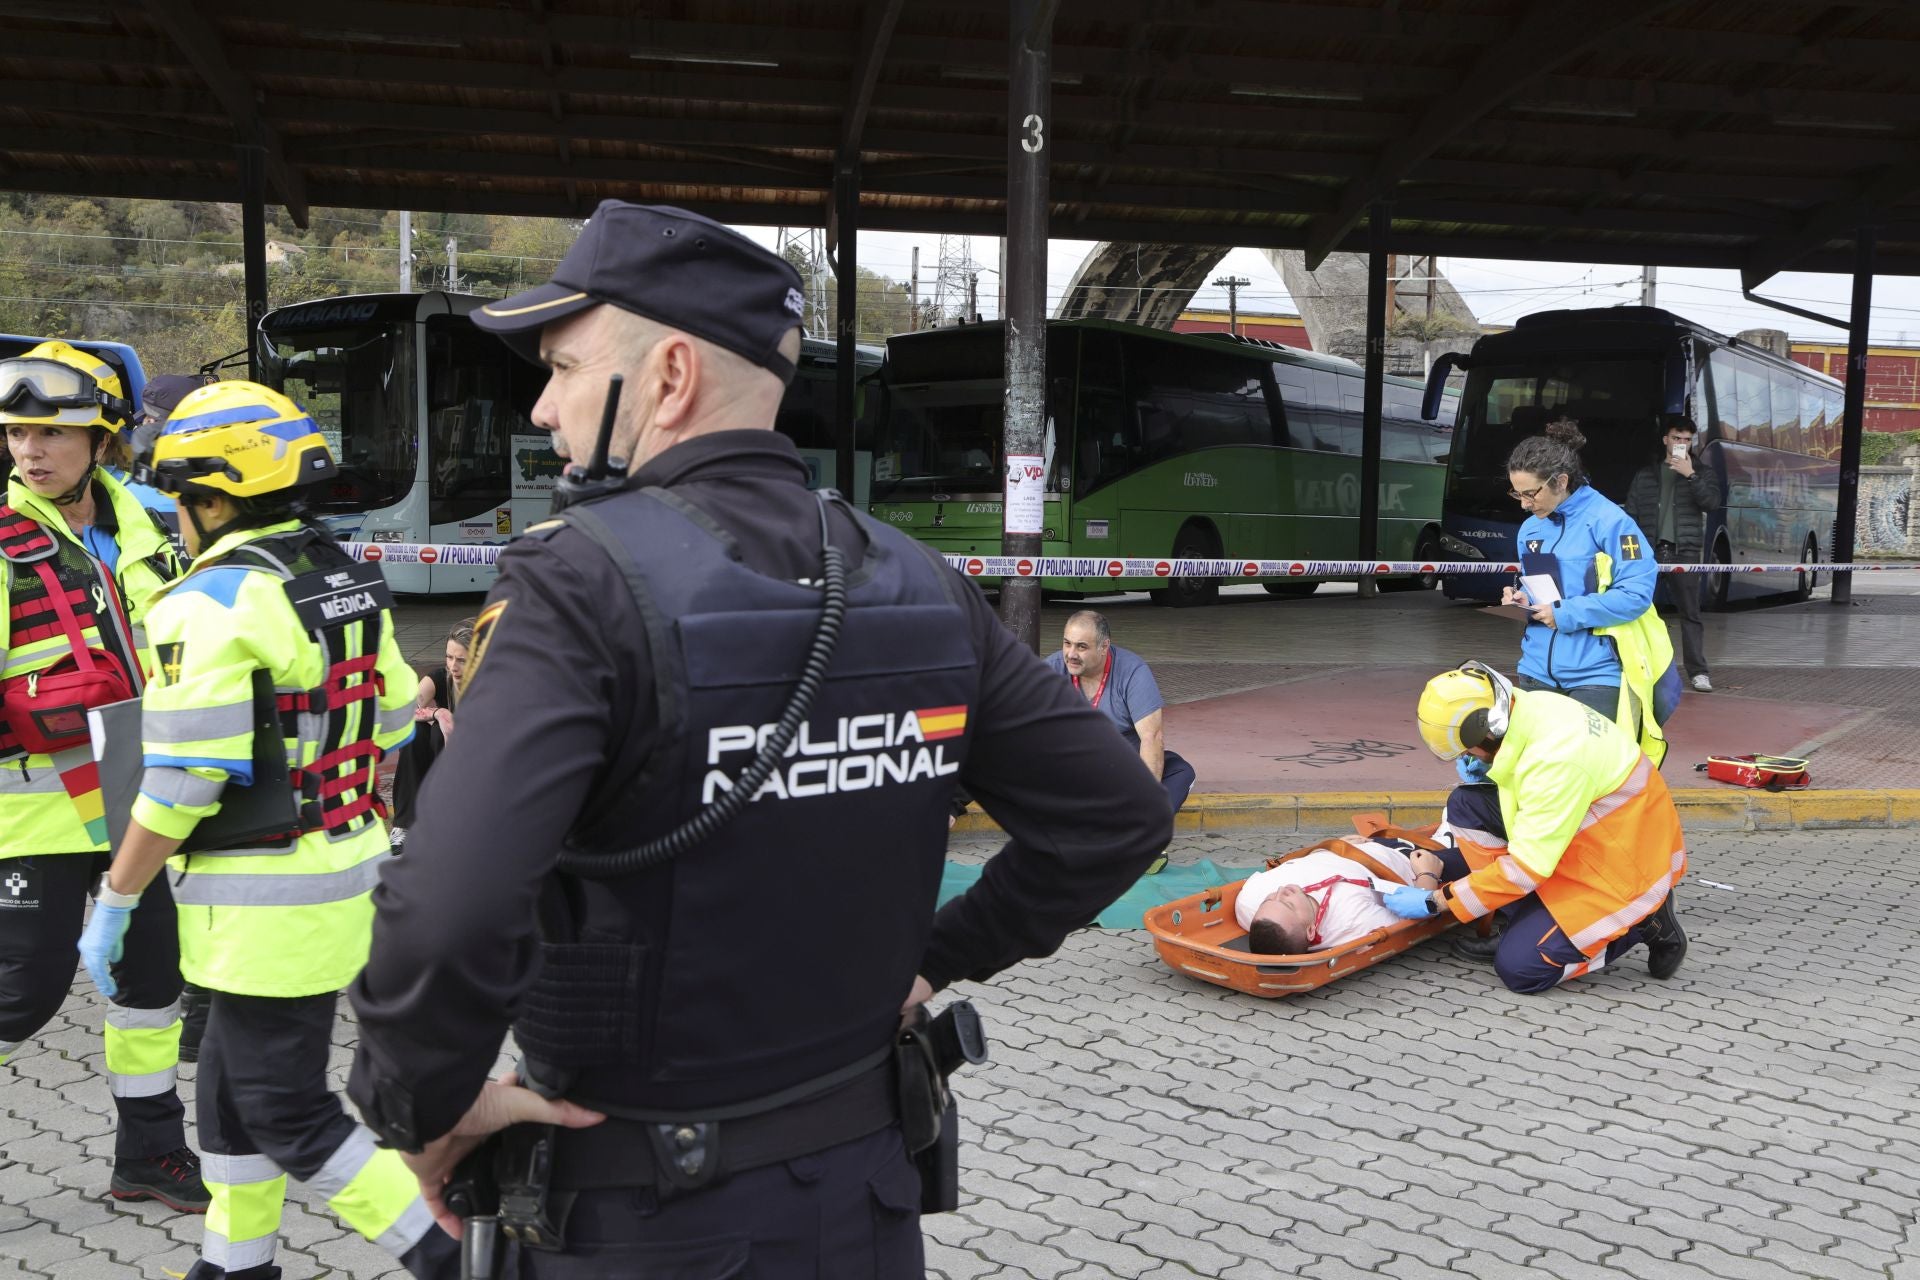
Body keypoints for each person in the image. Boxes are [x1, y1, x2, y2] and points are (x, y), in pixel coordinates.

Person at [343, 200, 1173, 1276]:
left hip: (641, 1219)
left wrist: (423, 1104)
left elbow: (445, 911)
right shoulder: (920, 584)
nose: (543, 406)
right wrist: (934, 958)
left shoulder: (576, 583)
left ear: (671, 374)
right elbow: (1117, 817)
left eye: (560, 366)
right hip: (867, 1206)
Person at [76, 380, 453, 1280]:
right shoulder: (341, 575)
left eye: (179, 502)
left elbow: (178, 784)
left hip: (265, 910)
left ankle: (456, 1259)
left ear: (212, 499)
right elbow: (398, 715)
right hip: (347, 876)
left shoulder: (209, 602)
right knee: (228, 1101)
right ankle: (236, 1266)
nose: (175, 520)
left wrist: (117, 895)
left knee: (288, 1113)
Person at [0, 341, 203, 1212]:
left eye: (51, 432)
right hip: (34, 811)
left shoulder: (154, 522)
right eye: (16, 433)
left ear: (104, 437)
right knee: (21, 996)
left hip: (137, 803)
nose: (29, 452)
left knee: (151, 983)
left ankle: (149, 1154)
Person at [1385, 660, 1690, 993]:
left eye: (1466, 748)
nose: (1466, 756)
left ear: (1485, 730)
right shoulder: (1529, 707)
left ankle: (1642, 919)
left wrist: (1436, 902)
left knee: (1521, 969)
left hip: (1621, 868)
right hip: (1599, 831)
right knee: (1466, 804)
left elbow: (1525, 869)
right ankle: (1526, 916)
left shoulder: (1555, 761)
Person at [1500, 418, 1676, 762]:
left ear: (1561, 481)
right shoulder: (1529, 529)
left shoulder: (1612, 522)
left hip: (1596, 676)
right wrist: (1522, 597)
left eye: (1530, 493)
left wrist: (1565, 613)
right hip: (1535, 671)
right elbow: (1542, 588)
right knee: (1539, 772)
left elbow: (1636, 594)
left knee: (1589, 776)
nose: (1522, 503)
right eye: (1515, 493)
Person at [1046, 609, 1195, 869]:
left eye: (1082, 647)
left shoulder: (1132, 671)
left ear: (1104, 647)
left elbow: (1152, 737)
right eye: (1067, 643)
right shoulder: (1052, 669)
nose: (1071, 654)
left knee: (1181, 771)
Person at [1237, 839, 1464, 955]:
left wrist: (1336, 845)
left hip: (1354, 847)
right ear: (1310, 930)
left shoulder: (1249, 902)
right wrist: (1427, 873)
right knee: (1480, 852)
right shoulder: (1352, 923)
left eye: (1270, 900)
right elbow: (1420, 916)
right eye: (1288, 904)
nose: (1281, 891)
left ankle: (1446, 835)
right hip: (1410, 860)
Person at [1626, 415, 1721, 693]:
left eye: (1687, 440)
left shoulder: (1701, 473)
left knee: (1690, 613)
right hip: (1649, 552)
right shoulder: (1646, 475)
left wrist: (1690, 475)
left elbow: (1712, 503)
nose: (1682, 444)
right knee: (1638, 612)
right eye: (1677, 438)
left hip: (1685, 551)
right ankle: (1639, 668)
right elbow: (1630, 515)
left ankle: (1698, 673)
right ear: (1665, 440)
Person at [386, 617, 473, 849]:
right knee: (416, 730)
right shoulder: (439, 678)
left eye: (461, 660)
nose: (453, 666)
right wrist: (439, 713)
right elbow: (406, 711)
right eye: (449, 657)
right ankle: (404, 826)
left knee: (445, 736)